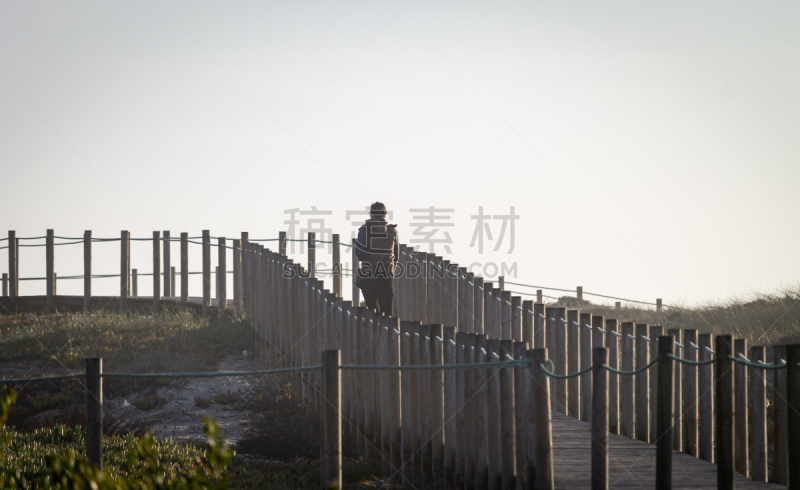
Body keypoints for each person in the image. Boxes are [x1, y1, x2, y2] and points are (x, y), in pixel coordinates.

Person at [355, 202, 399, 314]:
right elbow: (396, 256)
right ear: (385, 215)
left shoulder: (364, 230)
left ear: (371, 214)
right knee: (387, 314)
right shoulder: (393, 231)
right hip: (386, 275)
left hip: (367, 275)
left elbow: (359, 254)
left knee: (371, 312)